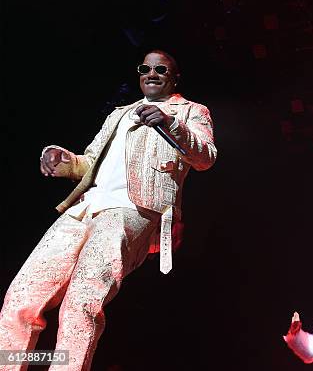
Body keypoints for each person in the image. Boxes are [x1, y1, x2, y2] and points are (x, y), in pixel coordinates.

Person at [0, 50, 217, 371]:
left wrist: (171, 125)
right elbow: (90, 163)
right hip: (84, 208)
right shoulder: (119, 113)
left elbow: (206, 156)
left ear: (174, 77)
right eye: (146, 68)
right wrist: (64, 159)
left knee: (80, 303)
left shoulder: (189, 111)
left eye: (161, 69)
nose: (152, 73)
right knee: (20, 300)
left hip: (135, 208)